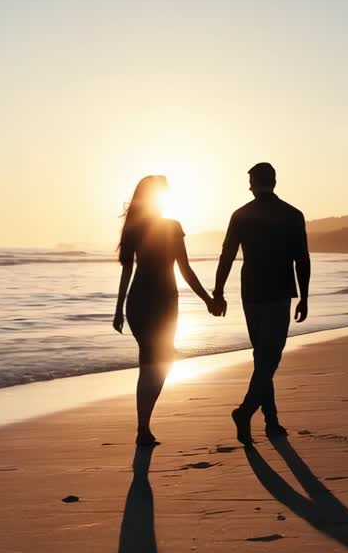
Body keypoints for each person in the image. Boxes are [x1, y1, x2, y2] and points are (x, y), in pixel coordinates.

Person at [113, 175, 220, 446]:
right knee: (154, 364)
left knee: (155, 363)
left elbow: (130, 271)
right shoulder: (167, 227)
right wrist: (207, 299)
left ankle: (143, 425)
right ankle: (143, 427)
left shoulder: (138, 228)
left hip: (143, 302)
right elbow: (183, 268)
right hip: (159, 301)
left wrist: (119, 309)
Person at [212, 162, 310, 443]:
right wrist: (304, 296)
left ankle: (270, 420)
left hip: (251, 293)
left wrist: (218, 292)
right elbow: (301, 259)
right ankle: (247, 413)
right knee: (269, 358)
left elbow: (227, 255)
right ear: (275, 182)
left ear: (253, 184)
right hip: (279, 293)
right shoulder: (292, 215)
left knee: (262, 357)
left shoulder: (241, 215)